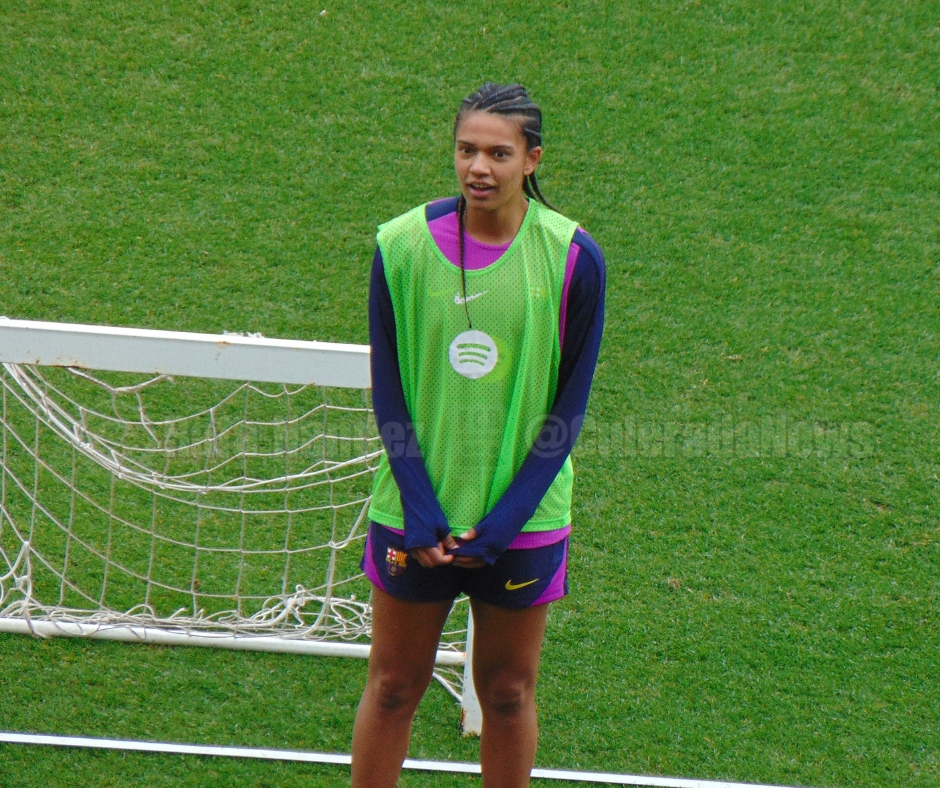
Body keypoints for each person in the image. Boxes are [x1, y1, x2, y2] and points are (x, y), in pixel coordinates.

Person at [350, 82, 606, 788]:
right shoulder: (401, 247)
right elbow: (390, 390)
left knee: (507, 692)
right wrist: (419, 506)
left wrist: (504, 522)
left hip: (522, 523)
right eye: (467, 150)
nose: (479, 168)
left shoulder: (573, 258)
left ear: (532, 159)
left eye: (499, 153)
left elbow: (568, 410)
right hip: (414, 512)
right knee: (393, 686)